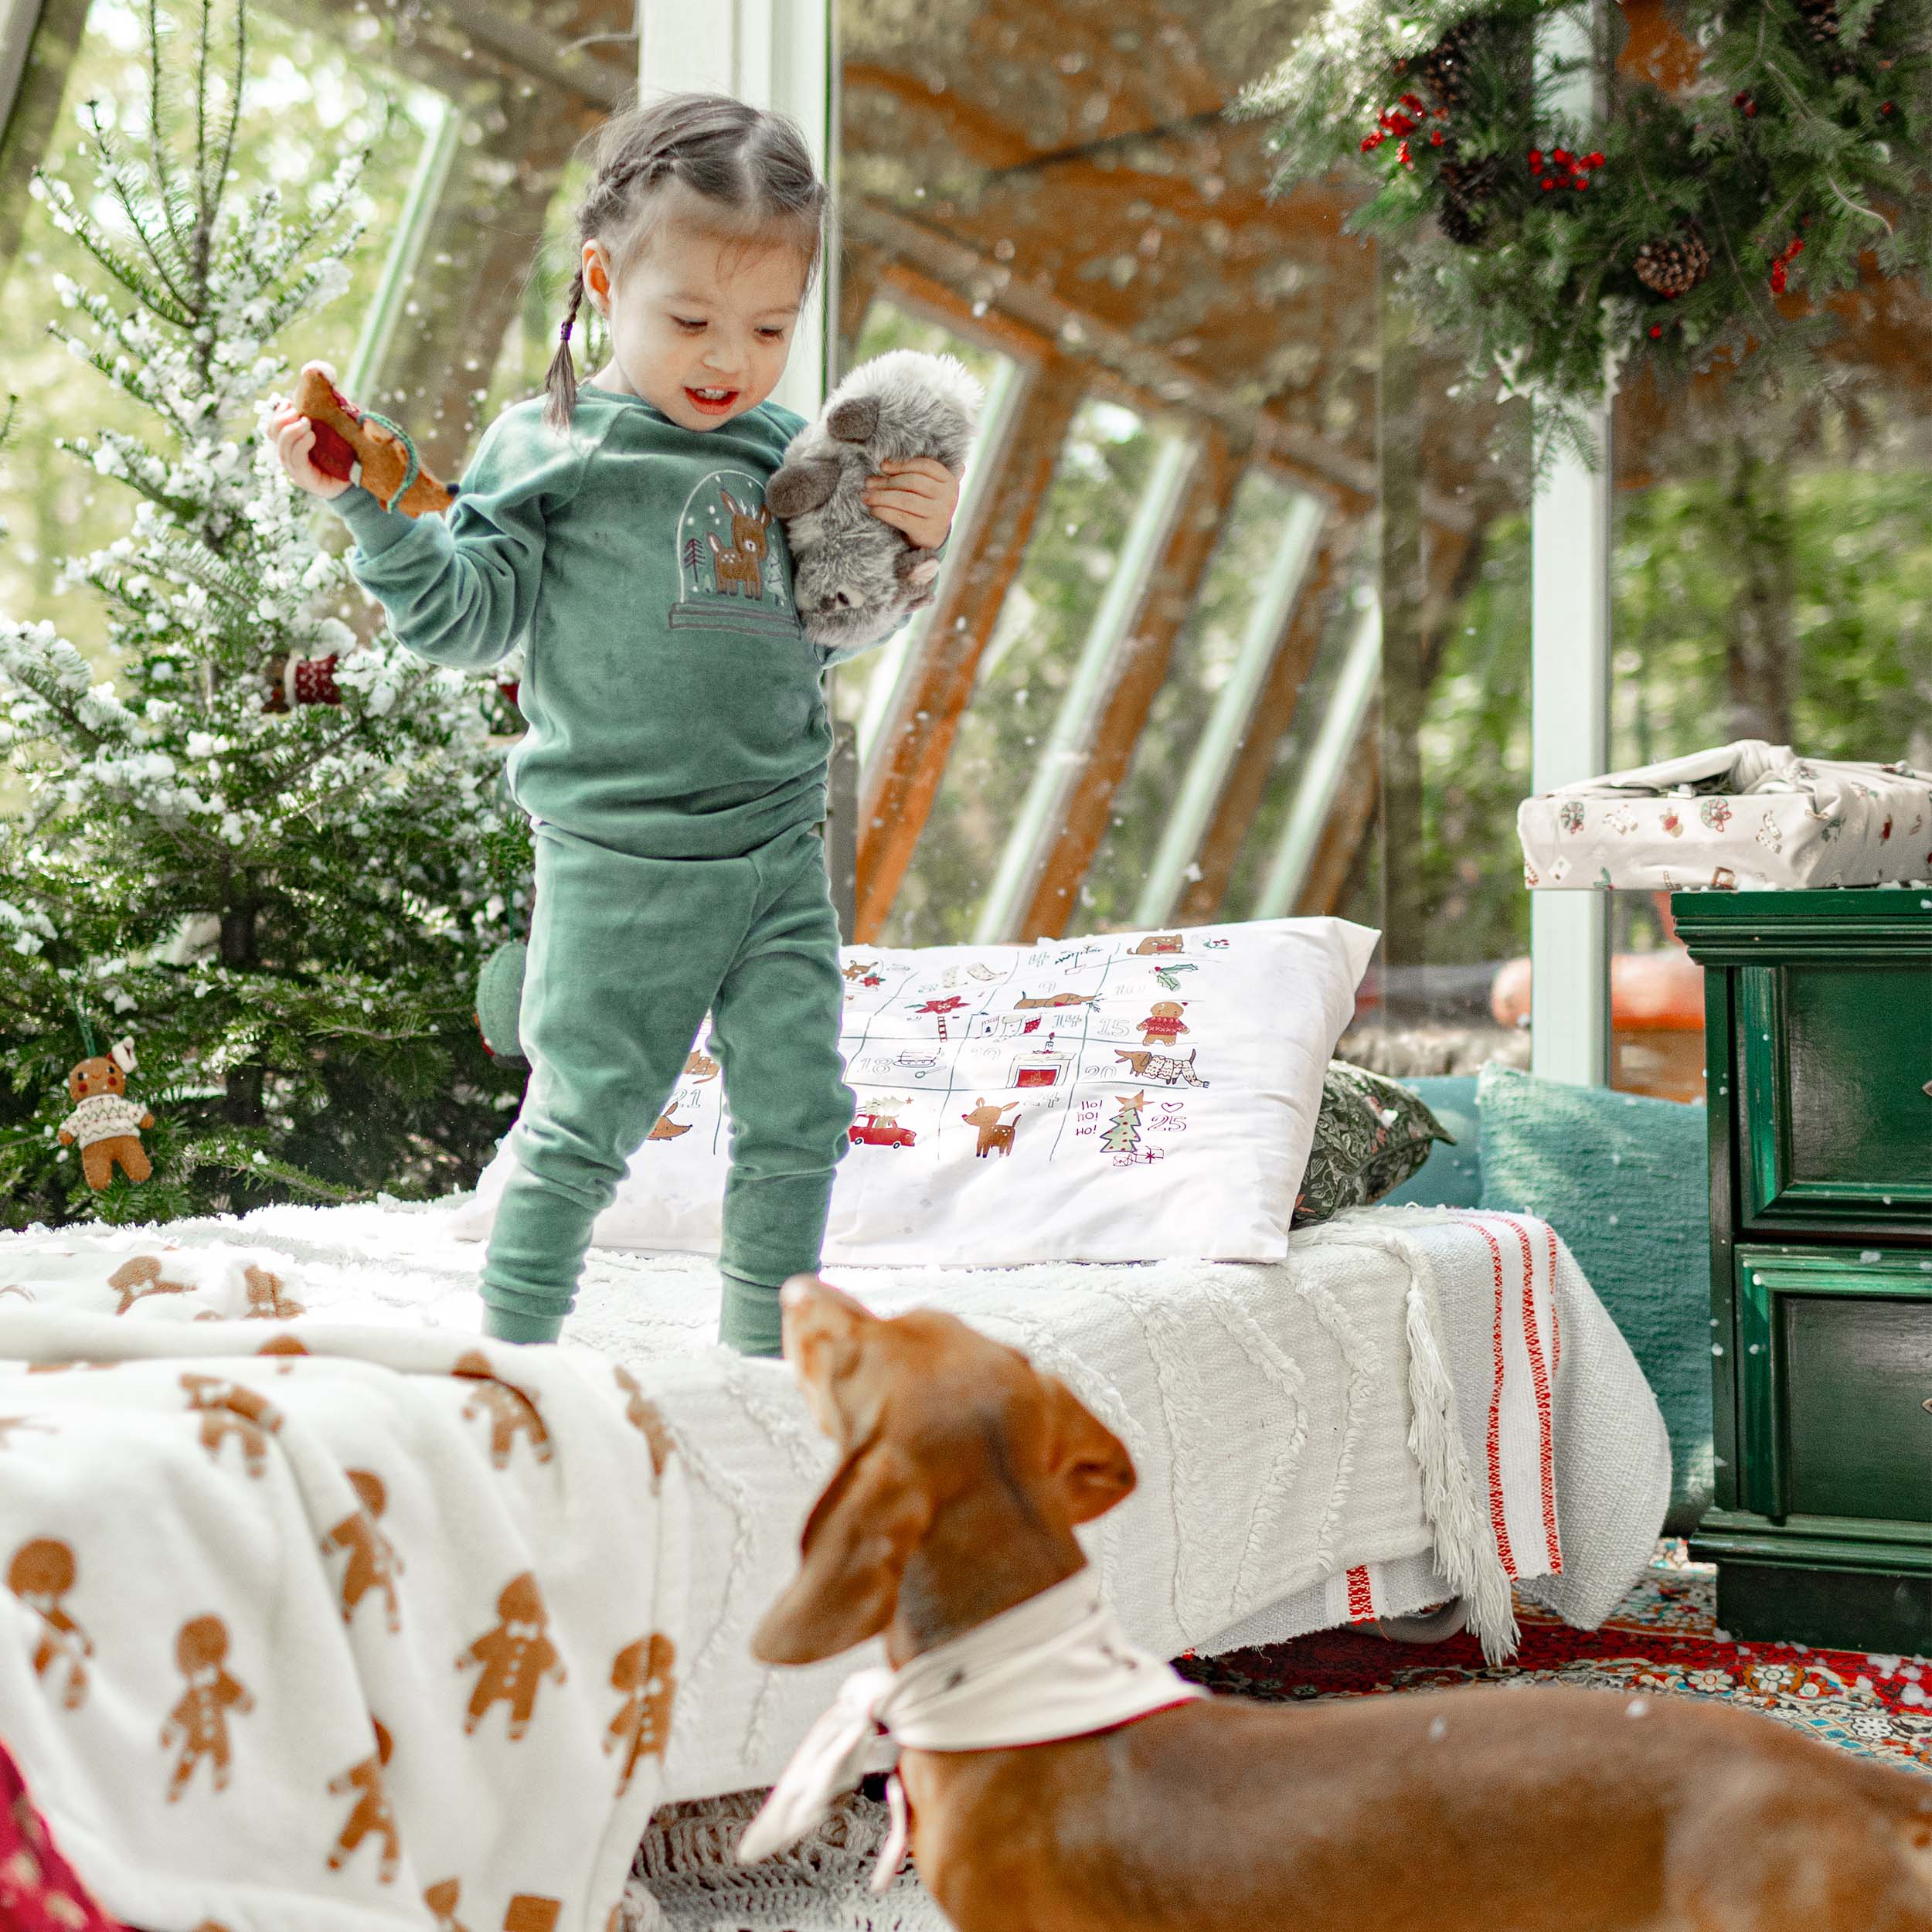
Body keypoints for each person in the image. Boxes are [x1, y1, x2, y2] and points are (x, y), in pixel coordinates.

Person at [269, 93, 960, 1353]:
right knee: (585, 1123)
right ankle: (511, 1362)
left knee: (803, 1116)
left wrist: (908, 549)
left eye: (770, 327)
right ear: (603, 281)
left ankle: (769, 1367)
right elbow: (468, 618)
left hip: (775, 856)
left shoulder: (784, 456)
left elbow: (823, 629)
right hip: (618, 863)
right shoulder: (550, 445)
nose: (728, 358)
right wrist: (368, 511)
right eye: (690, 320)